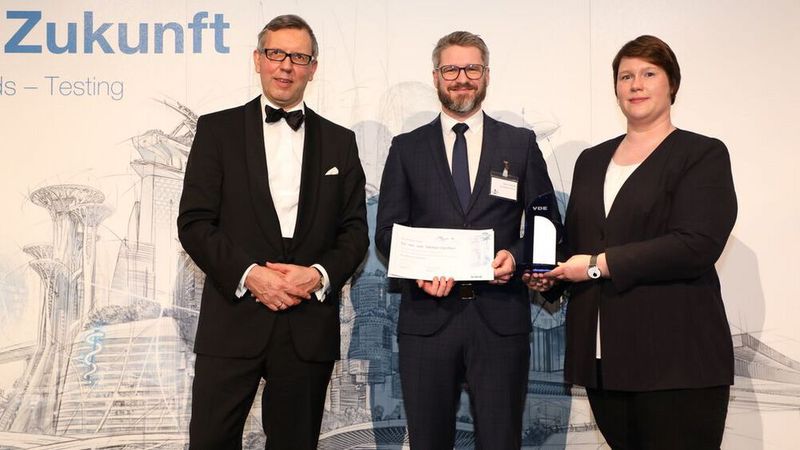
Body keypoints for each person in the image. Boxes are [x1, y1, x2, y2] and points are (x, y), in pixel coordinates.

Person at [532, 35, 736, 449]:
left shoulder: (702, 154)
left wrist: (596, 265)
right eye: (626, 76)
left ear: (672, 84)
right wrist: (549, 275)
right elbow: (579, 242)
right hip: (604, 364)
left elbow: (695, 245)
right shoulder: (591, 161)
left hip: (677, 362)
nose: (636, 85)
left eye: (648, 74)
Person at [177, 14, 368, 449]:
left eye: (298, 57)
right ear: (257, 60)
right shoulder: (216, 130)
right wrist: (250, 275)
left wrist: (317, 275)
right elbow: (194, 222)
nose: (285, 66)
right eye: (276, 53)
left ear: (313, 68)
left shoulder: (340, 142)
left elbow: (355, 231)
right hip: (232, 322)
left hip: (307, 328)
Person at [375, 31, 557, 449]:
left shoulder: (520, 144)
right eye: (451, 69)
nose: (462, 78)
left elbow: (546, 223)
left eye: (472, 68)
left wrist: (515, 256)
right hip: (426, 322)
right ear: (436, 77)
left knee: (501, 441)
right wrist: (420, 270)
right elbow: (387, 231)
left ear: (486, 75)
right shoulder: (406, 148)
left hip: (499, 321)